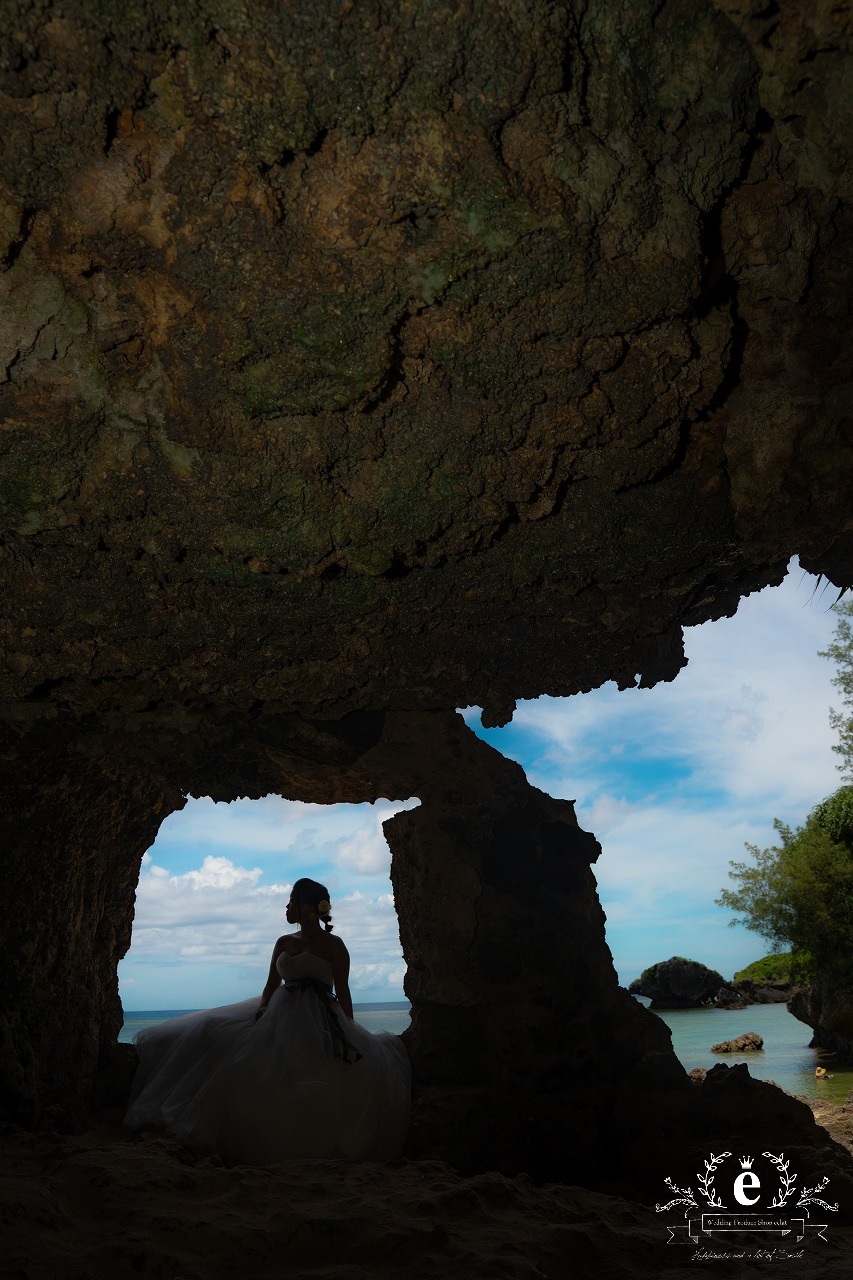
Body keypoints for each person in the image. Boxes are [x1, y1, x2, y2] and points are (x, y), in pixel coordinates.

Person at [124, 878, 411, 1165]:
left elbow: (343, 991)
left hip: (319, 1015)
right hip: (279, 1010)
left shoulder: (335, 945)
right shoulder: (284, 942)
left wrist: (350, 1029)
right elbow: (271, 985)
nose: (287, 907)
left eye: (292, 901)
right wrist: (263, 1008)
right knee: (217, 1034)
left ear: (309, 907)